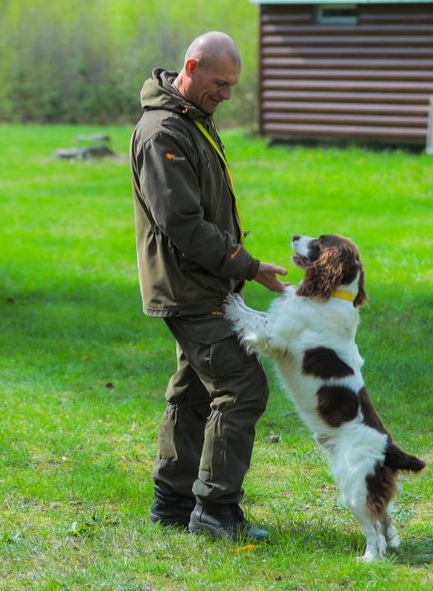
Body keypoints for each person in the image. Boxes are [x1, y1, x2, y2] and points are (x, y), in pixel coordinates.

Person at [129, 32, 287, 542]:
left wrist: (238, 269)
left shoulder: (192, 120)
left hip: (204, 283)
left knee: (194, 391)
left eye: (233, 85)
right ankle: (216, 512)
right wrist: (244, 263)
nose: (226, 94)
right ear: (191, 67)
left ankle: (171, 503)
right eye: (220, 83)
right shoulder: (163, 133)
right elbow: (183, 224)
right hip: (188, 286)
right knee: (242, 387)